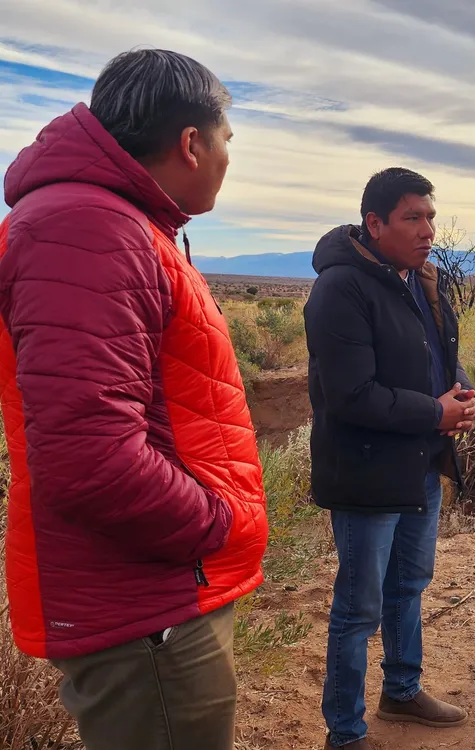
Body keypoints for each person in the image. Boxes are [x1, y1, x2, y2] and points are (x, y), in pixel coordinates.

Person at [0, 50, 268, 750]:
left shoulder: (115, 223)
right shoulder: (90, 228)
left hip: (153, 594)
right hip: (146, 604)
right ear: (190, 143)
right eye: (226, 141)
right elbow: (88, 458)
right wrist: (217, 526)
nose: (226, 159)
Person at [305, 168, 475, 750]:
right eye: (414, 217)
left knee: (410, 584)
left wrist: (455, 389)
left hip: (418, 463)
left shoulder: (416, 280)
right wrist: (435, 412)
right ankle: (346, 732)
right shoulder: (340, 289)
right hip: (365, 471)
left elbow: (431, 353)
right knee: (359, 608)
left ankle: (402, 690)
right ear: (374, 223)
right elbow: (350, 395)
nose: (428, 228)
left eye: (430, 216)